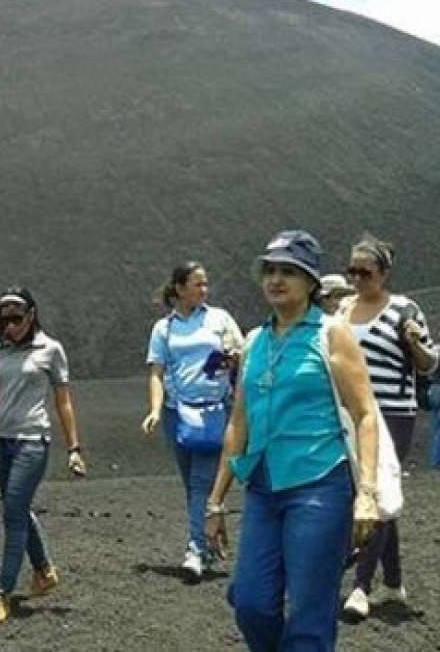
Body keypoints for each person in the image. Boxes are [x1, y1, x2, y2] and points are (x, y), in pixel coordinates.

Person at [204, 230, 380, 652]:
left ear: (311, 281)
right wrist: (215, 502)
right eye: (270, 270)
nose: (276, 279)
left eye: (289, 271)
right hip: (263, 488)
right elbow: (238, 425)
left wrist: (368, 494)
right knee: (250, 603)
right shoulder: (254, 342)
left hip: (320, 485)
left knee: (309, 613)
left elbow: (365, 413)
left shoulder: (331, 334)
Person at [339, 233, 438, 618]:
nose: (357, 278)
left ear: (384, 273)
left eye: (364, 271)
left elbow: (429, 364)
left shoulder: (404, 310)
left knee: (376, 492)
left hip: (392, 412)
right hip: (349, 413)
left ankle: (361, 587)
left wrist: (415, 344)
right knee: (378, 499)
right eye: (352, 270)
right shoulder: (343, 309)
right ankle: (393, 584)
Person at [0, 287, 87, 626]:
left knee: (12, 512)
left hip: (32, 441)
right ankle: (43, 571)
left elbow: (63, 400)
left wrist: (74, 449)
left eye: (17, 318)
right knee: (18, 508)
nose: (11, 325)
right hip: (2, 440)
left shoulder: (50, 350)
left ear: (31, 316)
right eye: (5, 319)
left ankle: (2, 592)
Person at [141, 261, 243, 580]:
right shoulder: (164, 328)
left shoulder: (220, 319)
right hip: (178, 412)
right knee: (193, 485)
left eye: (205, 284)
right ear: (180, 288)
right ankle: (210, 534)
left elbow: (242, 353)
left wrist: (231, 357)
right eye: (197, 284)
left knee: (201, 480)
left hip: (214, 410)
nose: (204, 289)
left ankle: (196, 550)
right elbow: (157, 372)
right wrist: (156, 410)